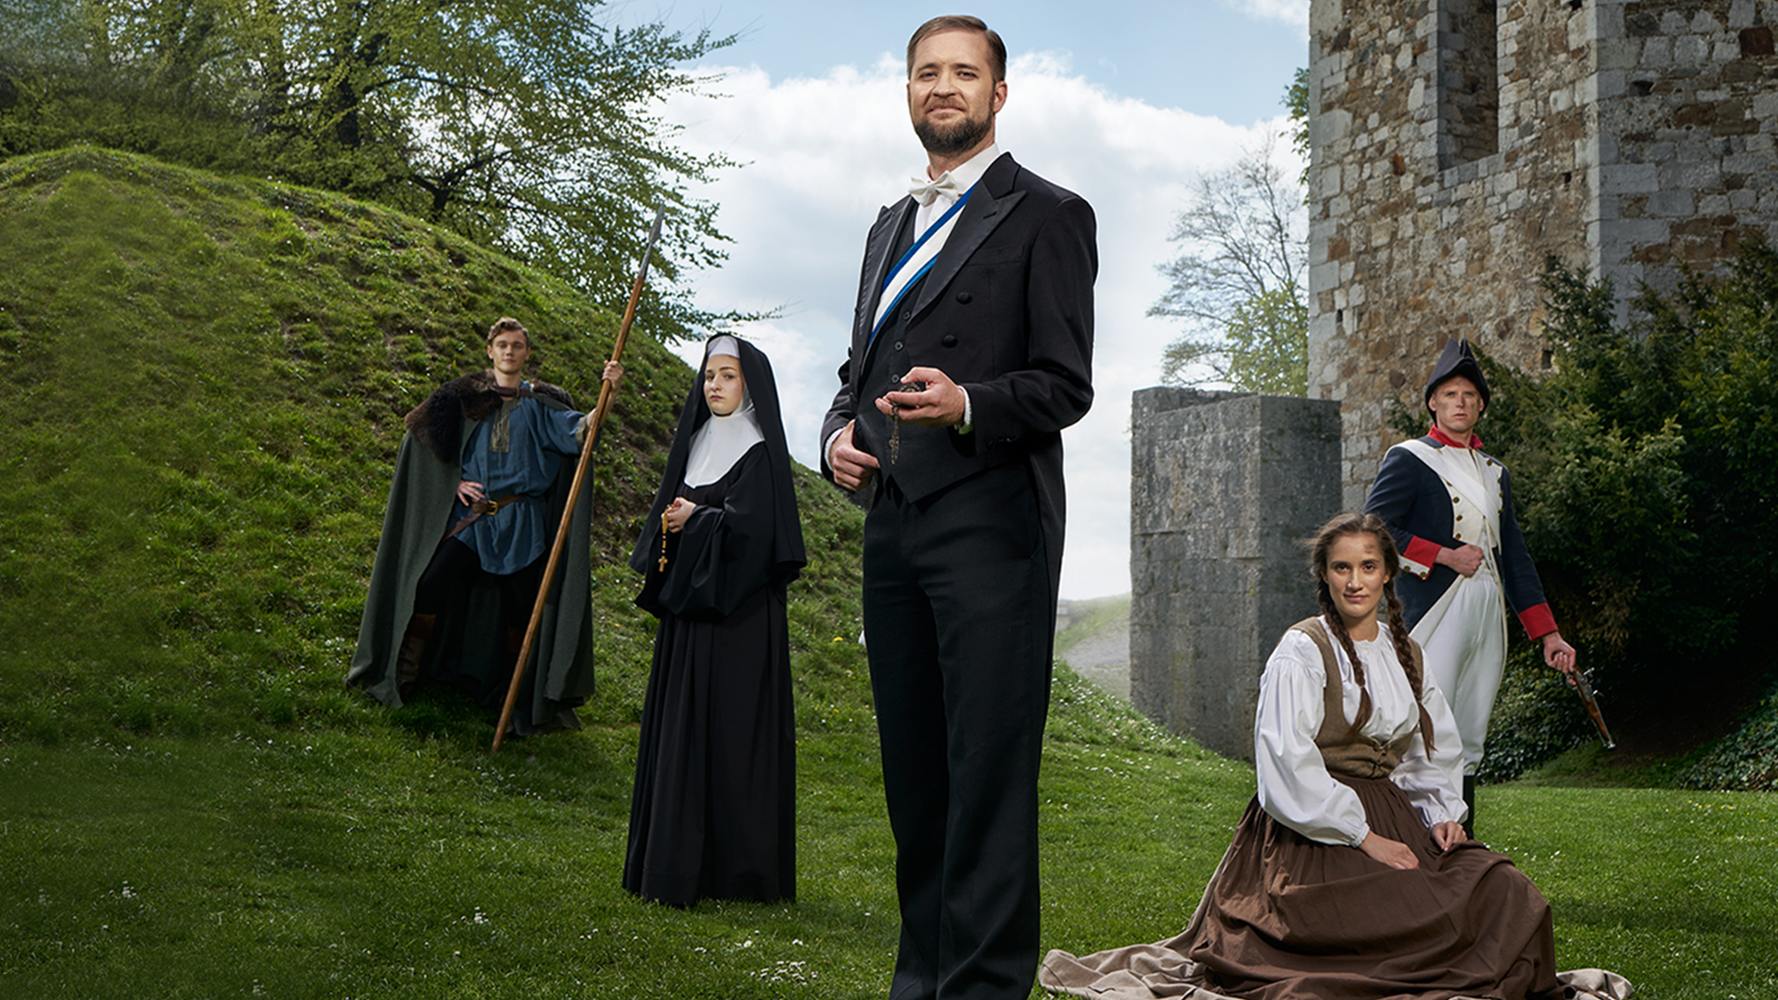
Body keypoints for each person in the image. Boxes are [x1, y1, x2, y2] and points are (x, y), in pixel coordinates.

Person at [1038, 513, 1628, 1000]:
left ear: (1387, 574)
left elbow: (1428, 750)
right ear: (1325, 574)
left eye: (1368, 566)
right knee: (1378, 923)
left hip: (1395, 814)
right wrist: (1364, 837)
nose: (1355, 581)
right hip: (1310, 833)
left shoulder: (1408, 652)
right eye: (1342, 567)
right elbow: (1285, 766)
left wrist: (1443, 813)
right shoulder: (1302, 650)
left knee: (1504, 888)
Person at [818, 14, 1096, 998]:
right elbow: (855, 372)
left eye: (963, 73)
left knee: (984, 774)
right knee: (916, 773)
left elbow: (1065, 385)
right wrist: (834, 437)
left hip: (992, 526)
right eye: (926, 72)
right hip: (893, 525)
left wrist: (969, 403)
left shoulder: (1047, 213)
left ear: (997, 94)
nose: (944, 87)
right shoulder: (884, 226)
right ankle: (918, 980)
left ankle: (981, 986)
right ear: (906, 91)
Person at [348, 316, 620, 735]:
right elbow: (423, 442)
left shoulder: (540, 405)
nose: (509, 352)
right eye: (502, 345)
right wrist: (451, 482)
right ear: (490, 351)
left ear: (526, 354)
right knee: (430, 584)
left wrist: (609, 393)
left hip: (522, 526)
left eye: (517, 345)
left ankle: (510, 696)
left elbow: (583, 433)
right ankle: (406, 675)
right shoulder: (463, 399)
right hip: (472, 523)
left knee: (521, 610)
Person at [1364, 338, 1577, 832]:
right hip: (1435, 610)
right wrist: (1442, 555)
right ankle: (1407, 844)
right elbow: (1373, 529)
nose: (1460, 403)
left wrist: (1548, 633)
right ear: (1433, 403)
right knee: (1422, 730)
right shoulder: (1410, 458)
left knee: (1469, 734)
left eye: (1468, 396)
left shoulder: (1495, 473)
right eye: (1450, 394)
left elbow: (1516, 557)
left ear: (1480, 405)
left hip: (1487, 609)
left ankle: (1461, 852)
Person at [623, 335, 805, 907]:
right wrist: (682, 523)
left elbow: (756, 540)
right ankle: (673, 862)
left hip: (739, 624)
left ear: (749, 383)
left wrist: (696, 519)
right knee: (683, 731)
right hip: (690, 617)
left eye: (727, 376)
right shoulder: (698, 439)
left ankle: (734, 873)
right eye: (709, 376)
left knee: (729, 739)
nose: (715, 386)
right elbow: (671, 519)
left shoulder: (757, 449)